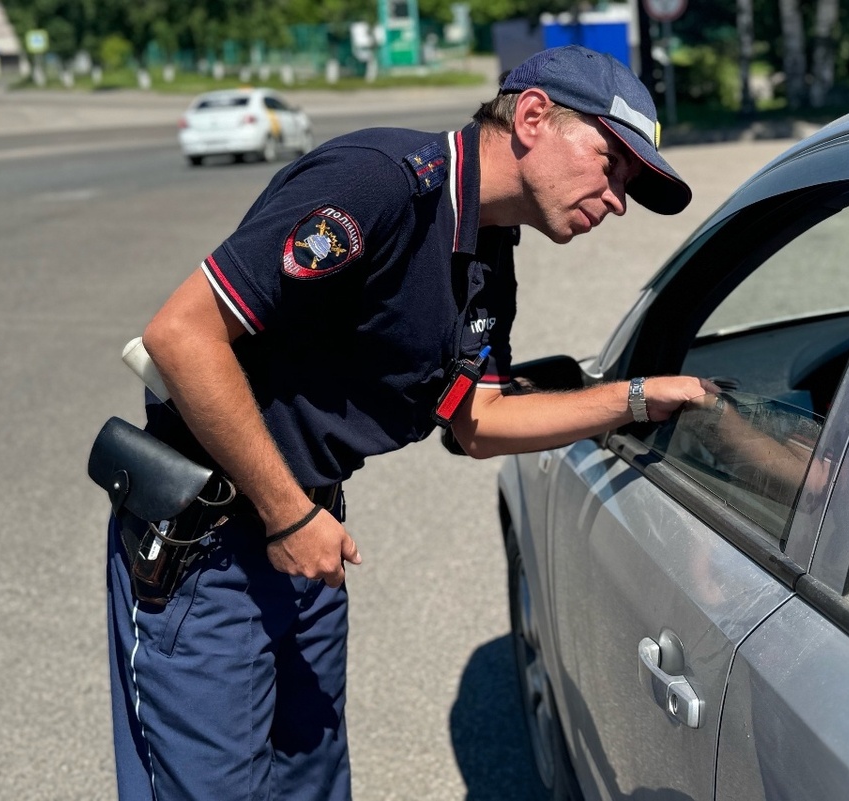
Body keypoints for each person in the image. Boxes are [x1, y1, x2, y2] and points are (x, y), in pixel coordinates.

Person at [106, 45, 715, 800]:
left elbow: (478, 420)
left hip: (304, 538)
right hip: (215, 546)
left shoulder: (489, 252)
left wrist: (634, 398)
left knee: (312, 783)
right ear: (532, 117)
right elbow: (182, 336)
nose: (617, 197)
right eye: (611, 163)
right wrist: (288, 513)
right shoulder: (376, 185)